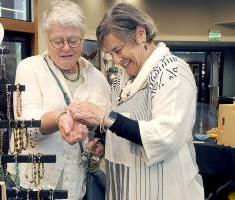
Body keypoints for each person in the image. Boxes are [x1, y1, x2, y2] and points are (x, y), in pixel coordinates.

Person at [67, 3, 204, 200]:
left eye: (118, 50)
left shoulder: (172, 72)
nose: (116, 60)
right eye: (110, 54)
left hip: (165, 190)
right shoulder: (121, 81)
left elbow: (165, 136)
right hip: (124, 188)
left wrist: (105, 118)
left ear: (141, 34)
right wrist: (103, 141)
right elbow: (124, 125)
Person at [8, 1, 111, 199]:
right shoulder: (30, 68)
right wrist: (59, 118)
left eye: (74, 41)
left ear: (82, 39)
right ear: (47, 39)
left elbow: (102, 125)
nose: (66, 48)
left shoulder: (98, 79)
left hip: (75, 184)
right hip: (33, 184)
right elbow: (25, 121)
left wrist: (100, 145)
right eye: (58, 41)